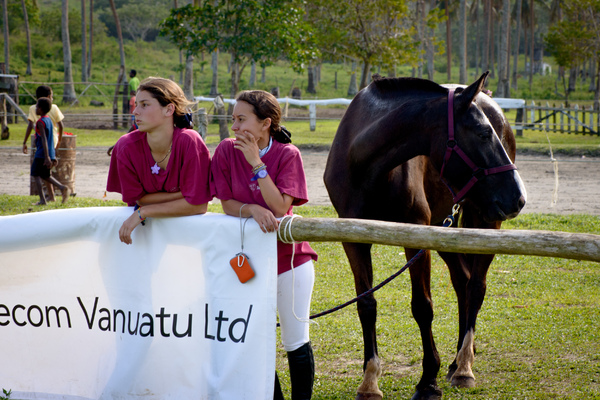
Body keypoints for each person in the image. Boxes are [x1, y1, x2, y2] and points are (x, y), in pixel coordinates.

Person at [211, 90, 318, 399]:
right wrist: (252, 209)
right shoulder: (224, 151)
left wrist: (256, 162)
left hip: (290, 262)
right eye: (233, 119)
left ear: (265, 124)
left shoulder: (288, 155)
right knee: (253, 339)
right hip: (248, 263)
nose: (234, 127)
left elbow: (281, 208)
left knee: (294, 340)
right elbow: (227, 203)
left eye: (241, 120)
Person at [106, 77, 212, 245]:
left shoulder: (189, 142)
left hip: (186, 242)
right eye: (136, 104)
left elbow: (198, 206)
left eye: (145, 105)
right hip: (142, 241)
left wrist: (144, 211)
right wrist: (185, 196)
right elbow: (139, 199)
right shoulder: (126, 147)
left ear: (169, 109)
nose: (135, 111)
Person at [23, 85, 65, 201]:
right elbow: (61, 125)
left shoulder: (38, 117)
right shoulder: (53, 108)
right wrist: (59, 141)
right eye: (51, 95)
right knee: (46, 173)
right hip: (53, 141)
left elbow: (31, 126)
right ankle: (53, 195)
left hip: (42, 145)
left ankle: (45, 198)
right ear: (48, 96)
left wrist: (25, 142)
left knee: (38, 172)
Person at [30, 97, 71, 205]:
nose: (35, 108)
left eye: (37, 106)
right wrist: (53, 155)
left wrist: (47, 157)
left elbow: (44, 139)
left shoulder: (40, 122)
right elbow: (50, 138)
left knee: (35, 174)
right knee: (45, 175)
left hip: (42, 153)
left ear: (41, 109)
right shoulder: (48, 120)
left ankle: (42, 200)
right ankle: (62, 187)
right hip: (49, 151)